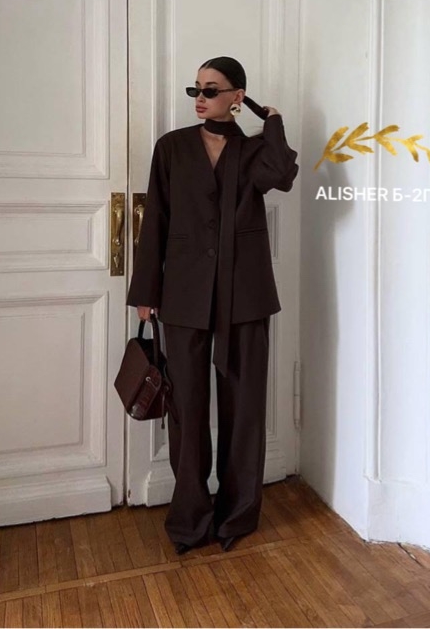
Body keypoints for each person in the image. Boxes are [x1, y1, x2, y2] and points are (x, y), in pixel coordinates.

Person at [126, 56, 299, 555]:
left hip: (245, 296)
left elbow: (282, 174)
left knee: (245, 409)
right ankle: (190, 518)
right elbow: (155, 220)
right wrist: (146, 292)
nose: (200, 98)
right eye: (196, 89)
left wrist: (273, 121)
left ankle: (238, 514)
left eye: (211, 89)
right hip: (182, 296)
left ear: (236, 97)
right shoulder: (172, 147)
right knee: (186, 409)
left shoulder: (254, 150)